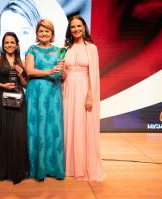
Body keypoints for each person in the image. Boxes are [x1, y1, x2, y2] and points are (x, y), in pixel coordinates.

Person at [62, 15, 106, 181]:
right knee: (69, 126)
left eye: (79, 26)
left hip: (83, 90)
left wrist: (90, 95)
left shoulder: (91, 48)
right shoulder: (66, 48)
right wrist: (61, 72)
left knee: (82, 127)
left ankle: (83, 166)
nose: (76, 29)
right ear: (70, 29)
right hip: (67, 89)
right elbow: (63, 73)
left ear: (84, 27)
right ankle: (70, 167)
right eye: (73, 27)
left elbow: (94, 74)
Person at [25, 19, 65, 181]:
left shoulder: (59, 51)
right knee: (37, 129)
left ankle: (54, 168)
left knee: (53, 129)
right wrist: (50, 70)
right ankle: (38, 169)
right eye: (41, 31)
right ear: (37, 33)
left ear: (52, 34)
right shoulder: (32, 50)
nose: (44, 34)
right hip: (36, 93)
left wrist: (62, 70)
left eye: (47, 31)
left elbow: (62, 75)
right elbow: (29, 71)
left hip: (53, 93)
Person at [0, 32, 29, 184]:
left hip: (19, 100)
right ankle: (5, 171)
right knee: (4, 134)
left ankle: (18, 172)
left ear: (17, 44)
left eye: (12, 42)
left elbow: (25, 84)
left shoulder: (23, 61)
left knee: (19, 135)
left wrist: (20, 76)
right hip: (2, 99)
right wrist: (3, 85)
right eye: (6, 42)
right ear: (3, 44)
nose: (9, 45)